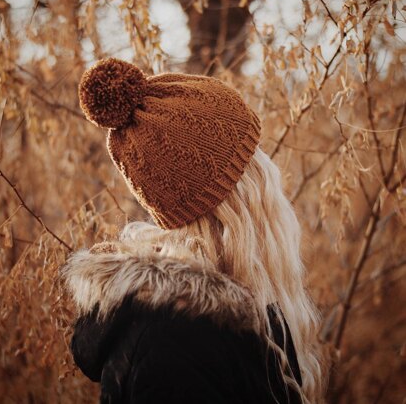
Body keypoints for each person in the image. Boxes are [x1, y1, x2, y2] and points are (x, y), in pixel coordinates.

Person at [62, 58, 323, 404]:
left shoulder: (229, 318)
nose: (272, 173)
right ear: (243, 201)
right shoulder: (176, 345)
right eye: (255, 160)